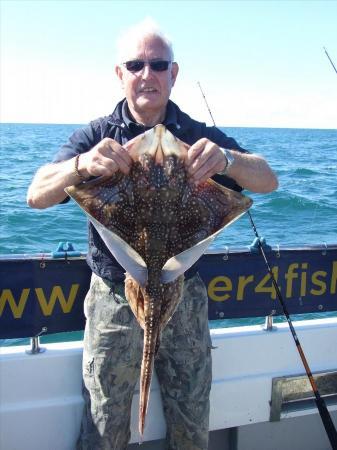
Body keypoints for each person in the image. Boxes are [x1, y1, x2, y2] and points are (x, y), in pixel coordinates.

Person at [27, 19, 278, 450]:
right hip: (113, 295)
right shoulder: (97, 135)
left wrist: (228, 160)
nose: (147, 74)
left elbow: (267, 180)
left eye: (158, 65)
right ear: (120, 73)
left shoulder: (198, 136)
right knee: (105, 421)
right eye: (136, 64)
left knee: (192, 415)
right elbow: (36, 195)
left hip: (183, 290)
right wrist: (83, 165)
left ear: (173, 74)